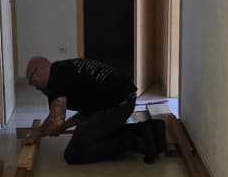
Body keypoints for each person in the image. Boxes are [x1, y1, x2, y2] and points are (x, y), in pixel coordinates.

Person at [24, 55, 161, 164]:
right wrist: (63, 126)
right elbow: (85, 112)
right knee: (91, 131)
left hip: (117, 105)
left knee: (74, 153)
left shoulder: (55, 82)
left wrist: (38, 134)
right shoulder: (62, 70)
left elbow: (56, 121)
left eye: (31, 81)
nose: (34, 86)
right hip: (124, 99)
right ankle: (145, 130)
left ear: (36, 73)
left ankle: (135, 141)